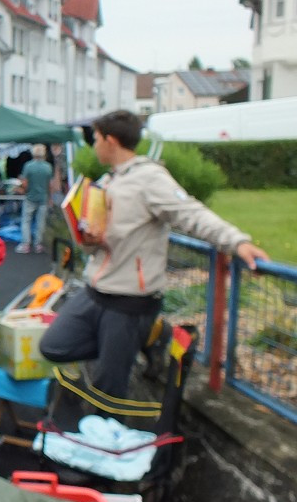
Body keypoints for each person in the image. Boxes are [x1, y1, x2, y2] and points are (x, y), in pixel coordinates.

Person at [39, 109, 269, 398]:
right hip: (97, 289)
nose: (93, 145)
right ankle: (148, 337)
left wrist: (237, 242)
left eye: (95, 139)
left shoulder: (150, 178)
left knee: (108, 389)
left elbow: (191, 213)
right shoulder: (110, 180)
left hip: (130, 300)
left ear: (110, 140)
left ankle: (109, 435)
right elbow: (100, 240)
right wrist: (89, 238)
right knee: (54, 346)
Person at [16, 144, 54, 254]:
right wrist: (50, 198)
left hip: (30, 197)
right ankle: (38, 244)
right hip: (43, 198)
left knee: (26, 221)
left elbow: (25, 183)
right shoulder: (48, 167)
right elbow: (49, 185)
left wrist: (22, 189)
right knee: (40, 222)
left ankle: (25, 244)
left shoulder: (28, 166)